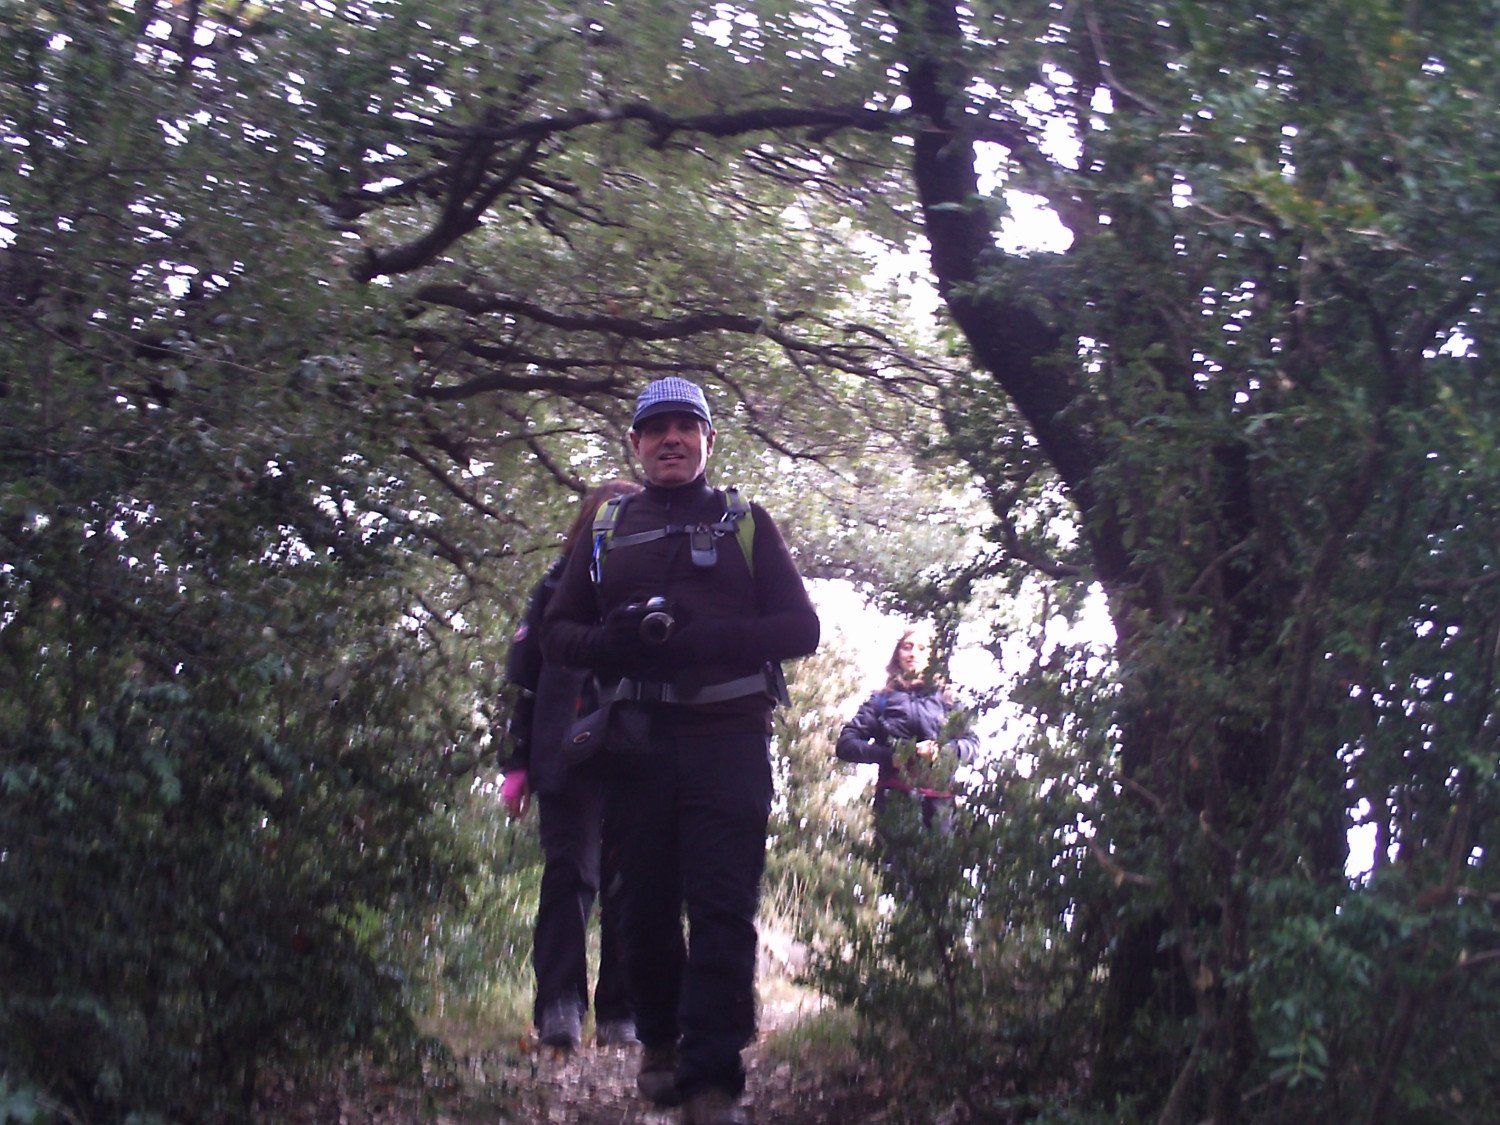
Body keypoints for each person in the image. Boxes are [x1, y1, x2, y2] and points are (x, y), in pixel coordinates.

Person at [542, 377, 820, 1125]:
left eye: (686, 426)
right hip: (637, 744)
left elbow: (801, 628)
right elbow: (556, 632)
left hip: (730, 739)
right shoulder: (605, 529)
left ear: (707, 439)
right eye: (656, 428)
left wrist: (707, 641)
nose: (672, 438)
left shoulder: (745, 522)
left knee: (724, 906)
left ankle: (710, 1079)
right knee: (642, 906)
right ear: (633, 443)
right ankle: (659, 1036)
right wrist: (614, 641)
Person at [500, 479, 643, 1051]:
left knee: (630, 884)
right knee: (569, 877)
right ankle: (559, 1006)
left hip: (637, 751)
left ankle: (621, 1012)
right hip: (565, 749)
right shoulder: (556, 587)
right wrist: (516, 766)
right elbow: (525, 683)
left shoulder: (654, 589)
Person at [836, 628, 977, 831]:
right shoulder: (881, 701)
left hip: (941, 808)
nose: (913, 654)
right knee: (895, 861)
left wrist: (942, 753)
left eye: (922, 648)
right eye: (907, 647)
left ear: (933, 657)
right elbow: (846, 745)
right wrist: (892, 756)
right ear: (897, 655)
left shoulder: (948, 701)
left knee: (937, 861)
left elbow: (972, 743)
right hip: (894, 804)